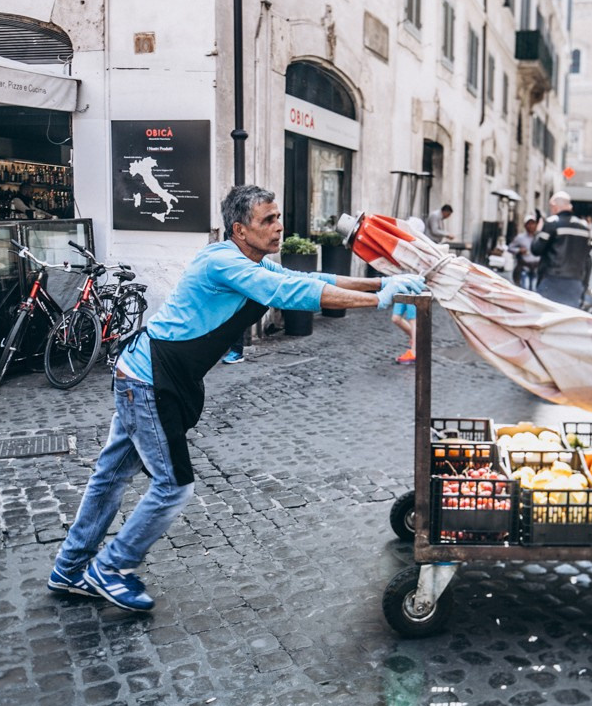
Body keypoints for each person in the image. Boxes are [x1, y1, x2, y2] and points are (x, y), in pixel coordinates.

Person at [49, 184, 425, 612]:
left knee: (111, 477)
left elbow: (309, 279)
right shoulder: (226, 263)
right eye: (268, 220)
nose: (279, 226)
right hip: (151, 381)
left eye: (278, 216)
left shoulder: (254, 262)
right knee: (173, 487)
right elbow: (292, 295)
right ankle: (111, 568)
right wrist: (380, 300)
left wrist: (382, 282)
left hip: (149, 376)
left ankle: (69, 568)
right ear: (240, 229)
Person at [530, 192, 592, 307]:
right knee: (567, 320)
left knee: (546, 317)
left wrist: (538, 232)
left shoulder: (551, 223)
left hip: (552, 280)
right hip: (575, 281)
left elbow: (536, 249)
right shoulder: (584, 228)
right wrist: (585, 284)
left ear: (554, 206)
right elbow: (588, 260)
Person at [506, 217, 540, 289]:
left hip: (537, 268)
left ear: (536, 225)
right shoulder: (520, 238)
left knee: (535, 290)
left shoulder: (539, 237)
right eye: (529, 224)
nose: (531, 226)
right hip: (525, 267)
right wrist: (519, 250)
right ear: (525, 225)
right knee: (525, 288)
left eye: (533, 223)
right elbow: (510, 248)